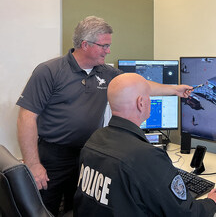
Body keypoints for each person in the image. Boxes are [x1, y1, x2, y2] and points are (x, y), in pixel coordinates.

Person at [16, 16, 192, 216]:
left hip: (89, 153)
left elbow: (139, 85)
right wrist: (33, 163)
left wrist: (175, 90)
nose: (108, 51)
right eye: (104, 46)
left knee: (82, 208)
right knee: (46, 209)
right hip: (54, 156)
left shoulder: (106, 72)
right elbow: (26, 117)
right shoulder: (49, 71)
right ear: (85, 44)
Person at [74, 73, 216, 216]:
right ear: (141, 103)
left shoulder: (95, 139)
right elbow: (185, 213)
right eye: (149, 96)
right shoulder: (146, 156)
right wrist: (213, 202)